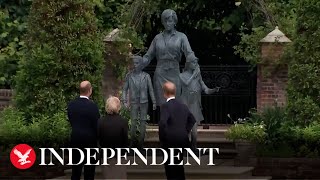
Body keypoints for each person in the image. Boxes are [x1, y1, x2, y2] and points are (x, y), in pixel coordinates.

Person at [142, 9, 198, 106]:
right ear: (163, 22)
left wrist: (193, 61)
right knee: (162, 104)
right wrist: (139, 63)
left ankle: (175, 121)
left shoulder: (181, 37)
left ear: (174, 22)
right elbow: (148, 55)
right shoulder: (157, 38)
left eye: (170, 21)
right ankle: (164, 121)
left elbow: (189, 53)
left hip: (174, 72)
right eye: (165, 21)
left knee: (175, 103)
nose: (168, 23)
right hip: (160, 73)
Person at [180, 55, 220, 152]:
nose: (196, 64)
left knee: (194, 127)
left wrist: (213, 90)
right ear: (188, 64)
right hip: (185, 104)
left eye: (196, 62)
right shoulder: (181, 75)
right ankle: (184, 147)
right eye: (194, 62)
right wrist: (194, 75)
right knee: (186, 127)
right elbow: (186, 83)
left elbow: (205, 90)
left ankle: (193, 146)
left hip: (195, 104)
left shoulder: (198, 77)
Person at [158, 81, 196, 180]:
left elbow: (162, 123)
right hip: (182, 140)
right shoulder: (183, 106)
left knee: (170, 167)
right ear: (175, 92)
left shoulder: (165, 106)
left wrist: (162, 139)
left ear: (164, 93)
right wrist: (185, 131)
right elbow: (192, 120)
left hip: (170, 141)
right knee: (179, 165)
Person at [67, 80, 100, 180]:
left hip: (75, 140)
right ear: (90, 90)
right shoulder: (93, 106)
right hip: (90, 142)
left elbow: (71, 120)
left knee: (75, 171)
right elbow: (96, 124)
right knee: (89, 172)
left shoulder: (71, 105)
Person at [122, 55, 156, 148]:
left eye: (137, 63)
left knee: (143, 122)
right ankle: (132, 142)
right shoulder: (129, 76)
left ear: (141, 64)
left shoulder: (146, 76)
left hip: (144, 101)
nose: (135, 65)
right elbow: (125, 89)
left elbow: (151, 90)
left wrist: (154, 101)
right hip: (134, 101)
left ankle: (141, 142)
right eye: (134, 63)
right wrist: (124, 100)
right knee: (133, 122)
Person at [97, 96, 128, 179]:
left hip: (106, 156)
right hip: (119, 156)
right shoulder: (123, 122)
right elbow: (125, 141)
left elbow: (98, 139)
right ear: (118, 107)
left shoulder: (100, 122)